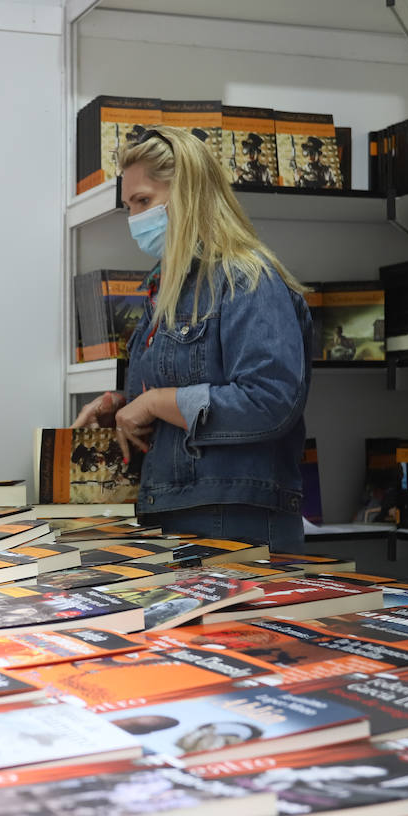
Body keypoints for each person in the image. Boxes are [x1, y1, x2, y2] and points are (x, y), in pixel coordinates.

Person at [72, 126, 313, 551]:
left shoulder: (247, 277)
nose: (135, 219)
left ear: (189, 192)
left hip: (235, 518)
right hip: (174, 509)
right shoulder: (165, 287)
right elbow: (182, 394)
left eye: (144, 201)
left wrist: (154, 402)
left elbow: (269, 401)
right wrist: (124, 409)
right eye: (129, 206)